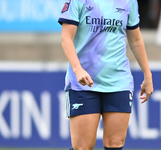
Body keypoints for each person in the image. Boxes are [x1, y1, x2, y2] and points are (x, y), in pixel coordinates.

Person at [58, 0, 153, 150]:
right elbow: (66, 38)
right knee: (82, 147)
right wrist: (77, 69)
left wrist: (148, 75)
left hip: (119, 82)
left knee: (115, 144)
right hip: (83, 84)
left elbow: (135, 39)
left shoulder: (129, 2)